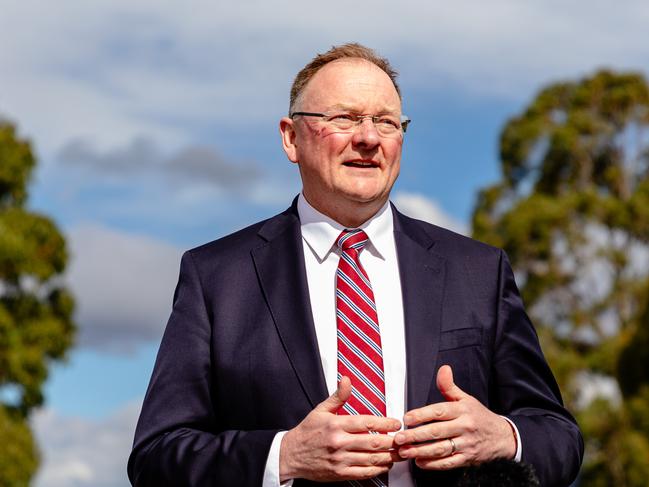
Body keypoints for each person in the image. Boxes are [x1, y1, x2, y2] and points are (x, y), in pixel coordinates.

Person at [127, 43, 583, 487]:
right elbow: (156, 457)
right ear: (291, 138)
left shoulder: (478, 271)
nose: (367, 137)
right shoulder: (217, 277)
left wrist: (502, 437)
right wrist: (283, 457)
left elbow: (559, 436)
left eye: (385, 122)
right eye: (344, 117)